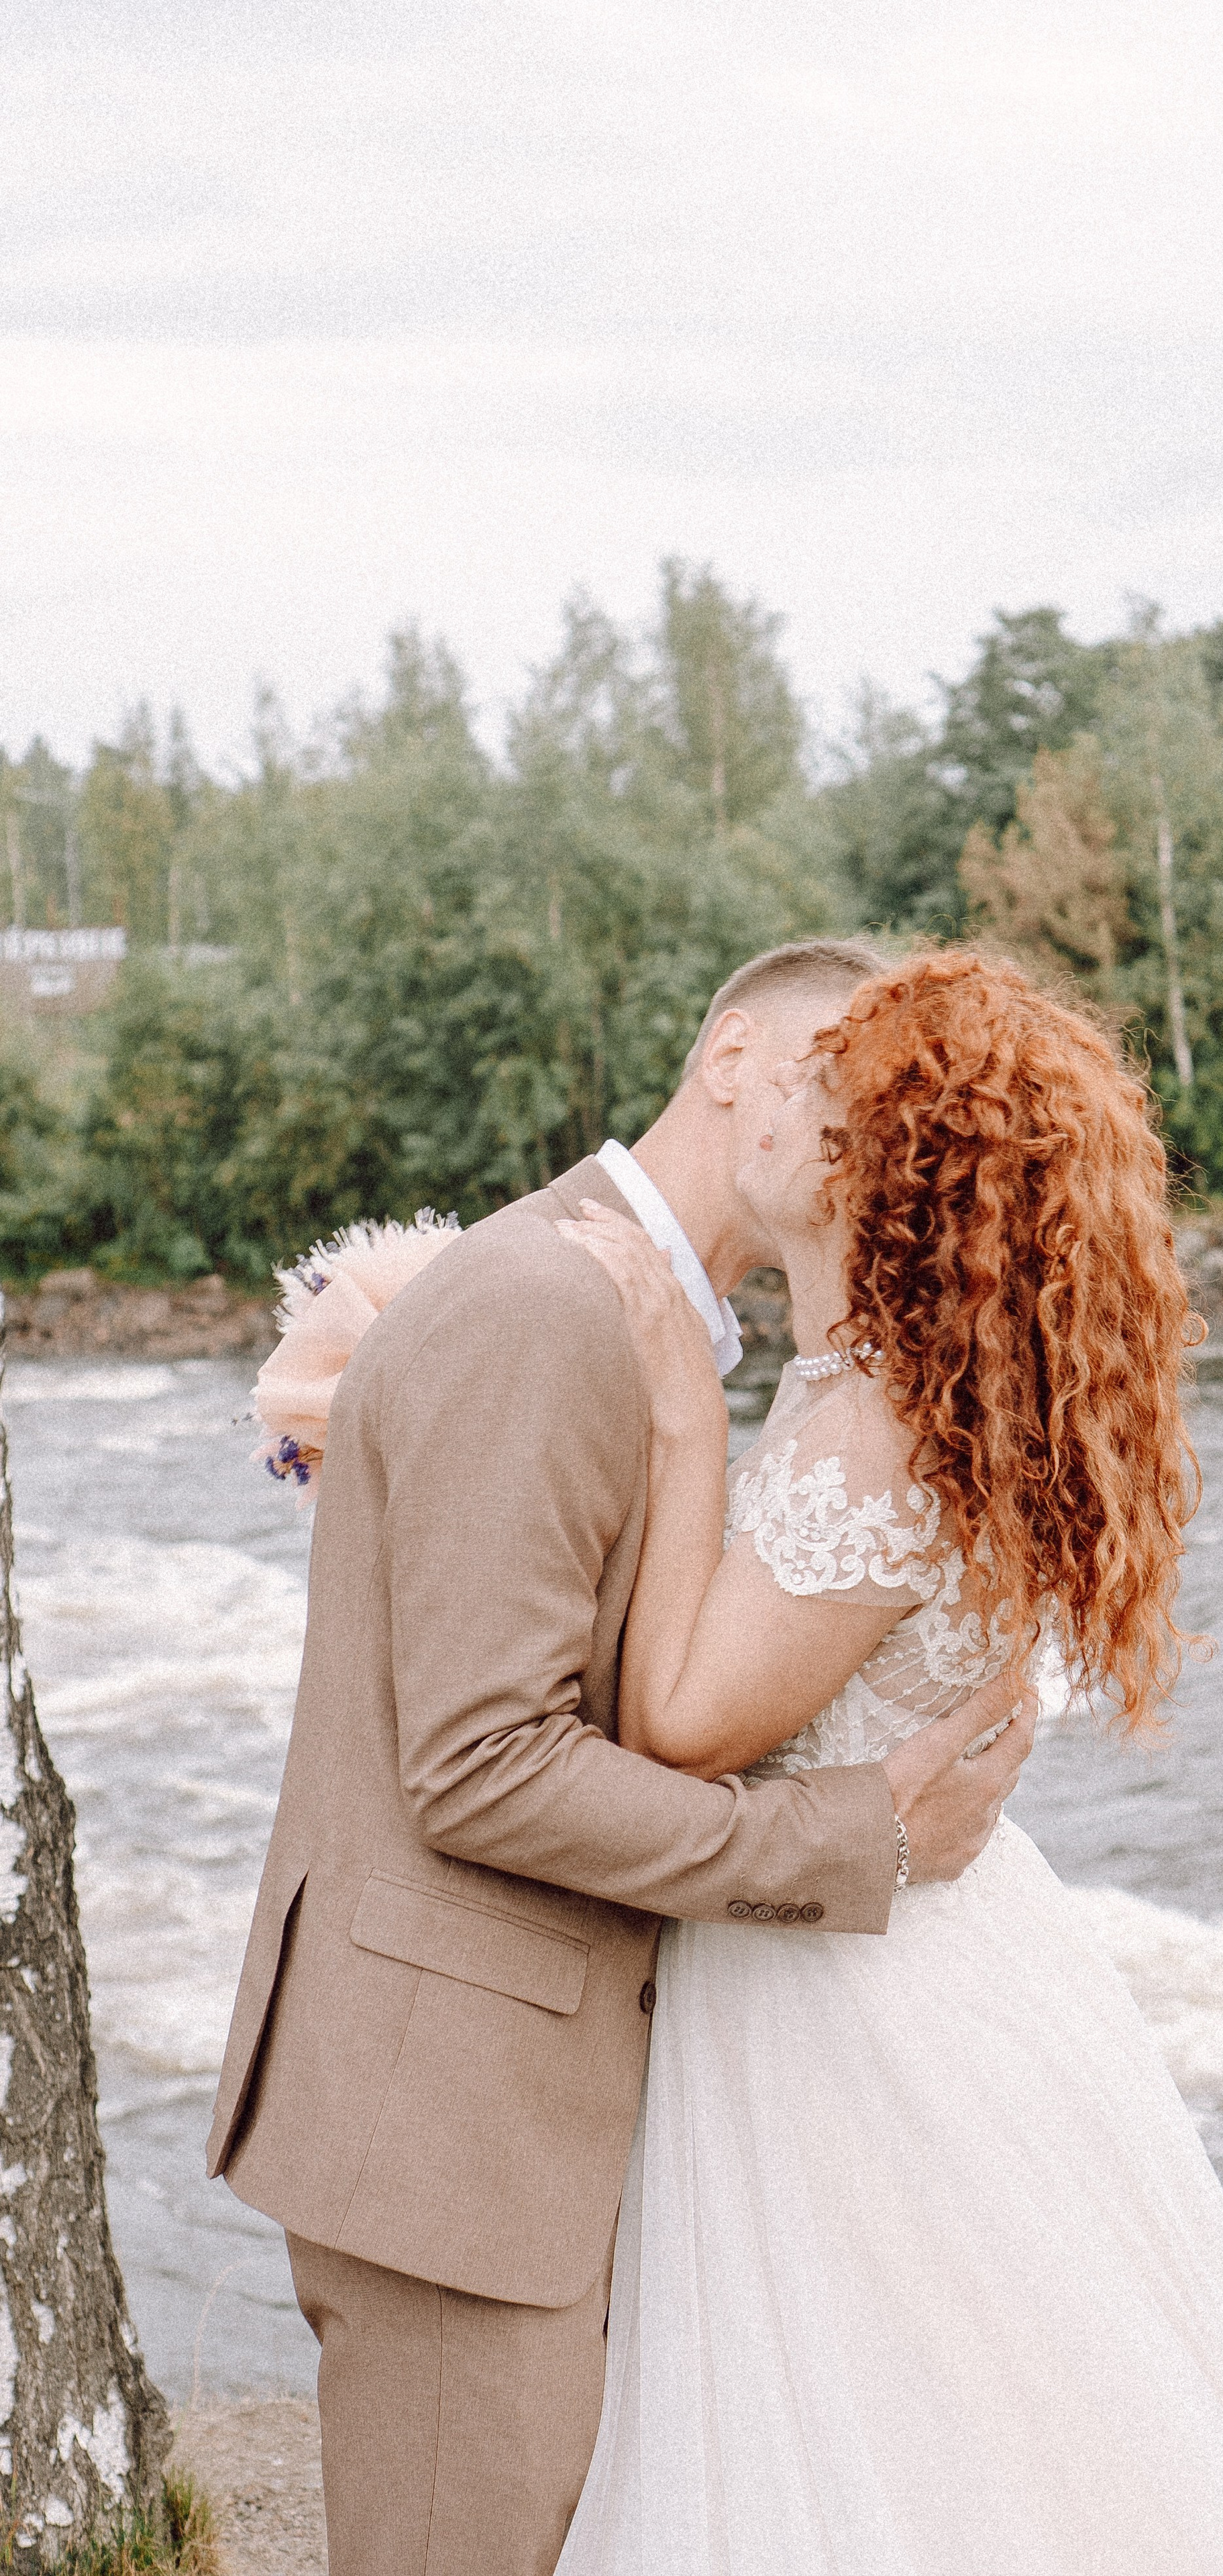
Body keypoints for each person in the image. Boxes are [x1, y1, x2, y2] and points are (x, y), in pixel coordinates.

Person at [559, 947, 1223, 2576]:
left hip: (851, 2015)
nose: (777, 1100)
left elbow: (679, 1723)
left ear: (886, 1174)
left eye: (826, 1089)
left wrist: (677, 1411)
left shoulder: (878, 1429)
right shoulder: (904, 1397)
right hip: (926, 1957)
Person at [206, 938, 1036, 2576]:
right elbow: (481, 1764)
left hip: (561, 2103)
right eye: (840, 1075)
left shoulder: (663, 1330)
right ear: (732, 1061)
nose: (868, 1122)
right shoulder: (544, 1304)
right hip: (454, 2127)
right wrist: (852, 1837)